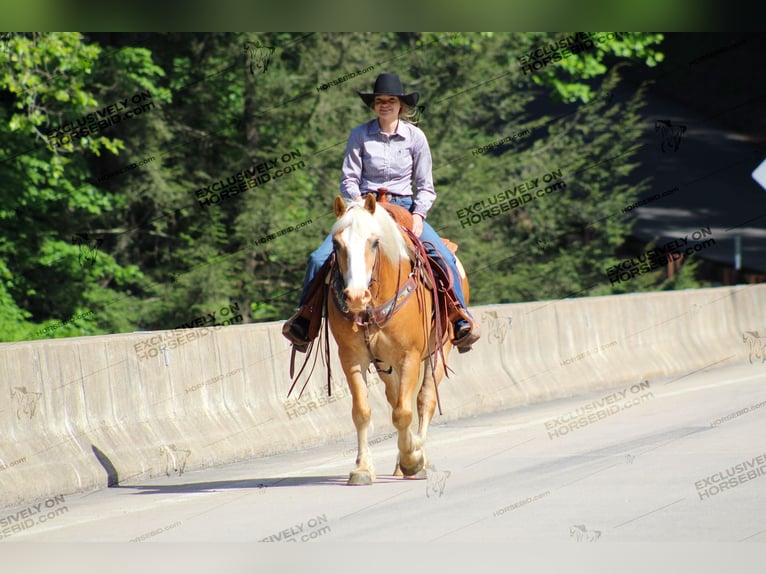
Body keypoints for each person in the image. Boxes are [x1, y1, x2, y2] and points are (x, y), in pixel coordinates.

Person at [282, 73, 480, 352]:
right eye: (379, 101)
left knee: (443, 256)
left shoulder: (415, 138)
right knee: (318, 258)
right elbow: (349, 179)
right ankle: (305, 320)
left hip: (404, 208)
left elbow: (426, 186)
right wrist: (359, 205)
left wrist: (420, 216)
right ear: (373, 105)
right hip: (365, 208)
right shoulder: (359, 135)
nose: (384, 105)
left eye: (390, 100)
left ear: (401, 105)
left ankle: (459, 318)